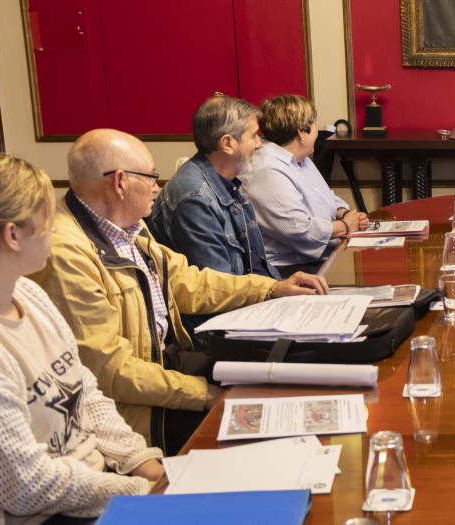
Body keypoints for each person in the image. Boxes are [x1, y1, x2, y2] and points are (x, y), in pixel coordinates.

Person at [30, 129, 328, 456]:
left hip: (162, 366)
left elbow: (186, 281)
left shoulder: (127, 224)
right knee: (261, 432)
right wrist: (201, 393)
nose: (158, 187)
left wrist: (271, 287)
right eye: (152, 177)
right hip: (130, 408)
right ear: (120, 183)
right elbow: (110, 372)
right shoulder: (67, 255)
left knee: (278, 380)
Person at [0, 155, 163, 525]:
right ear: (12, 236)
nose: (57, 231)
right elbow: (26, 486)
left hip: (97, 487)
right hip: (46, 515)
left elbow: (85, 391)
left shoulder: (28, 292)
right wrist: (138, 492)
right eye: (47, 222)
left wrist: (141, 463)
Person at [147, 95, 279, 279]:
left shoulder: (227, 182)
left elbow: (254, 262)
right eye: (254, 135)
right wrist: (275, 289)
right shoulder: (194, 198)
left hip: (258, 294)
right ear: (227, 144)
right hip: (240, 304)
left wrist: (283, 285)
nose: (259, 144)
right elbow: (220, 287)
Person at [241, 94, 369, 278]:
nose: (316, 130)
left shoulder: (298, 156)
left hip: (314, 256)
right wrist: (345, 226)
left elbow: (325, 195)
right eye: (314, 124)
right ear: (301, 132)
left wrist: (346, 214)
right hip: (289, 268)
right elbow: (298, 229)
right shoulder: (268, 169)